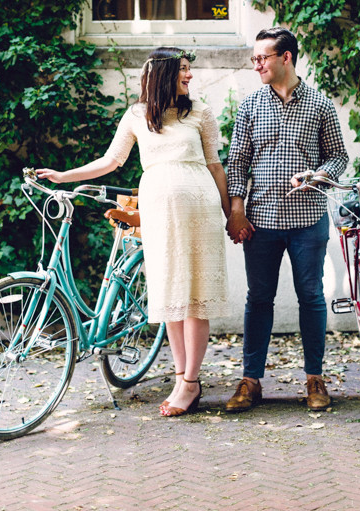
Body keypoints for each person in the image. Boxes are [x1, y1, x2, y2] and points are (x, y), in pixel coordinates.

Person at [36, 47, 230, 417]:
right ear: (163, 74)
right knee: (172, 296)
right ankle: (180, 377)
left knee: (196, 297)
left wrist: (230, 215)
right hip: (160, 212)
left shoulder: (201, 113)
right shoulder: (137, 115)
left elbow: (215, 166)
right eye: (184, 70)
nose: (190, 77)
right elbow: (111, 160)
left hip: (200, 212)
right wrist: (64, 176)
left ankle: (190, 381)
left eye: (190, 70)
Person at [224, 27, 349, 413]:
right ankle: (250, 381)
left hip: (308, 220)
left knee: (311, 297)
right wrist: (236, 208)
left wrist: (315, 174)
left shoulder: (320, 105)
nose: (256, 64)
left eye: (263, 57)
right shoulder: (250, 106)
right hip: (259, 221)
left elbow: (339, 157)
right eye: (255, 58)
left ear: (286, 58)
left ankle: (315, 378)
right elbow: (237, 162)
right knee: (258, 298)